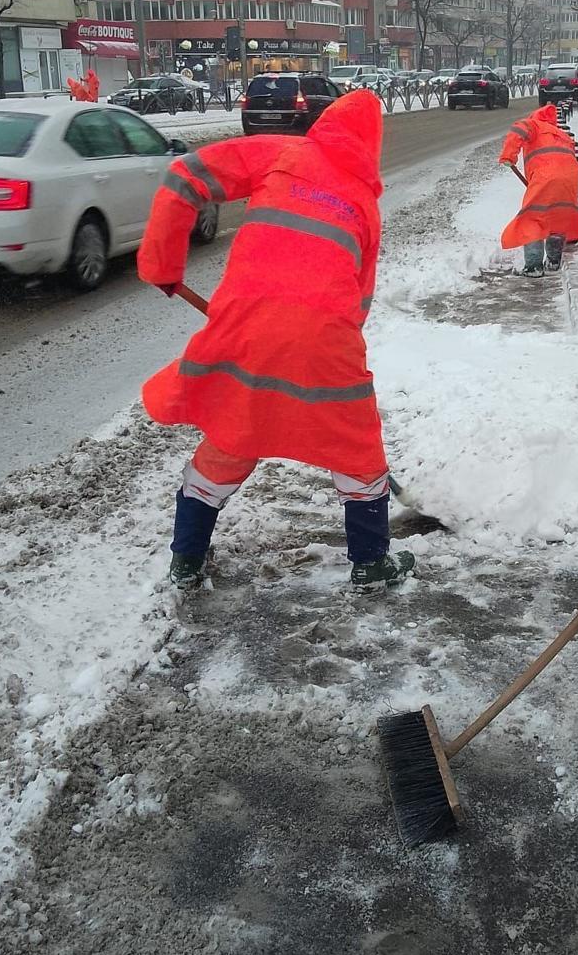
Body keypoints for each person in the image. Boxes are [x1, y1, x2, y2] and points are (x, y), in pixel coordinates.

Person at [137, 88, 415, 593]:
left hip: (244, 325)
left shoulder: (282, 152)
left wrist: (162, 263)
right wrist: (324, 348)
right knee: (356, 447)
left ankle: (187, 561)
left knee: (232, 431)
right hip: (325, 336)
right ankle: (371, 565)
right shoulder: (364, 204)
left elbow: (184, 176)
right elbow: (360, 298)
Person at [498, 102, 578, 274]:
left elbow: (518, 129)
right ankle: (553, 262)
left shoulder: (534, 125)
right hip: (571, 178)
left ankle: (533, 266)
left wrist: (508, 156)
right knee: (558, 218)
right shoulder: (561, 134)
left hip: (546, 176)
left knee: (533, 218)